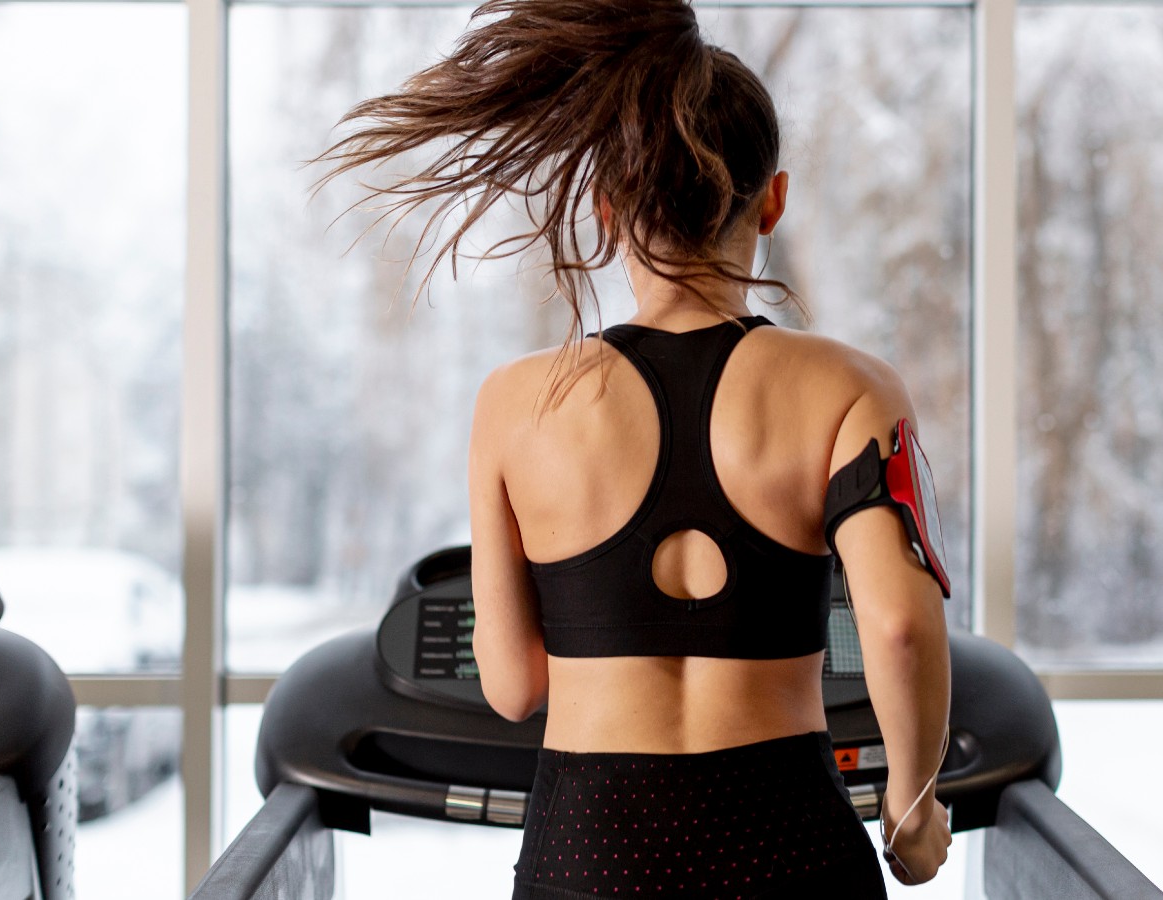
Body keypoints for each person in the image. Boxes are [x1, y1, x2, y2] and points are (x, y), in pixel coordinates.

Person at [316, 1, 953, 895]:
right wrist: (912, 806)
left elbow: (512, 686)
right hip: (788, 846)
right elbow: (897, 627)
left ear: (611, 212)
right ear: (771, 200)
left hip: (591, 852)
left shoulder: (514, 404)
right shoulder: (850, 387)